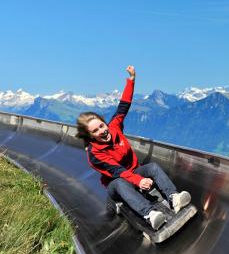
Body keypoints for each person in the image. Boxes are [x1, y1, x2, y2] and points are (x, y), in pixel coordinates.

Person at [76, 65, 191, 230]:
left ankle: (174, 197)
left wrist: (131, 79)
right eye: (96, 131)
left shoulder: (114, 127)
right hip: (117, 185)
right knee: (120, 183)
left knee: (151, 167)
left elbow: (124, 105)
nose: (102, 131)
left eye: (101, 126)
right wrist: (139, 181)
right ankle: (150, 214)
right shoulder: (95, 153)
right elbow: (118, 171)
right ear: (90, 136)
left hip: (134, 173)